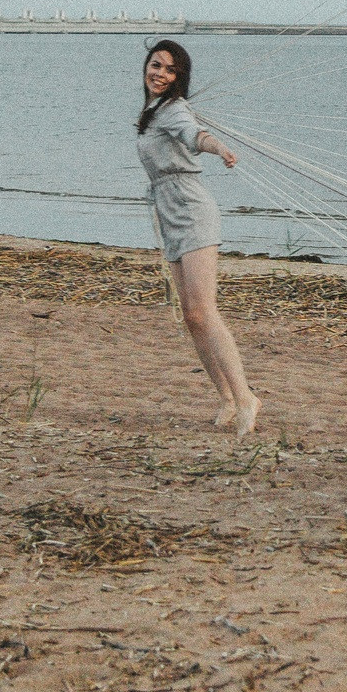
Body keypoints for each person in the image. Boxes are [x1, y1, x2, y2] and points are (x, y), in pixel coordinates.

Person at [136, 39, 258, 434]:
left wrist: (218, 146)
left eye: (170, 70)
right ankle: (225, 399)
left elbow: (195, 135)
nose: (160, 74)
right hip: (168, 211)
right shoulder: (154, 112)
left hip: (192, 210)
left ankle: (246, 400)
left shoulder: (174, 110)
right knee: (191, 317)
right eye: (156, 65)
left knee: (205, 311)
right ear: (147, 66)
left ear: (179, 78)